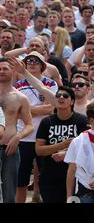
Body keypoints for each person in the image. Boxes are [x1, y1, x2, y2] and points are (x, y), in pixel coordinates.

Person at [13, 52, 58, 203]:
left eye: (36, 61)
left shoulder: (51, 84)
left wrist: (26, 111)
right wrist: (37, 109)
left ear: (42, 65)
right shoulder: (18, 85)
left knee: (45, 179)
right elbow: (15, 111)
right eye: (29, 61)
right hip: (24, 136)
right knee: (21, 180)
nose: (32, 63)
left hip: (44, 136)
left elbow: (51, 108)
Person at [0, 58, 33, 203]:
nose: (1, 71)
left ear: (13, 70)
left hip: (10, 149)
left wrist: (18, 136)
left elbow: (29, 125)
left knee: (9, 193)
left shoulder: (20, 97)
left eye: (5, 68)